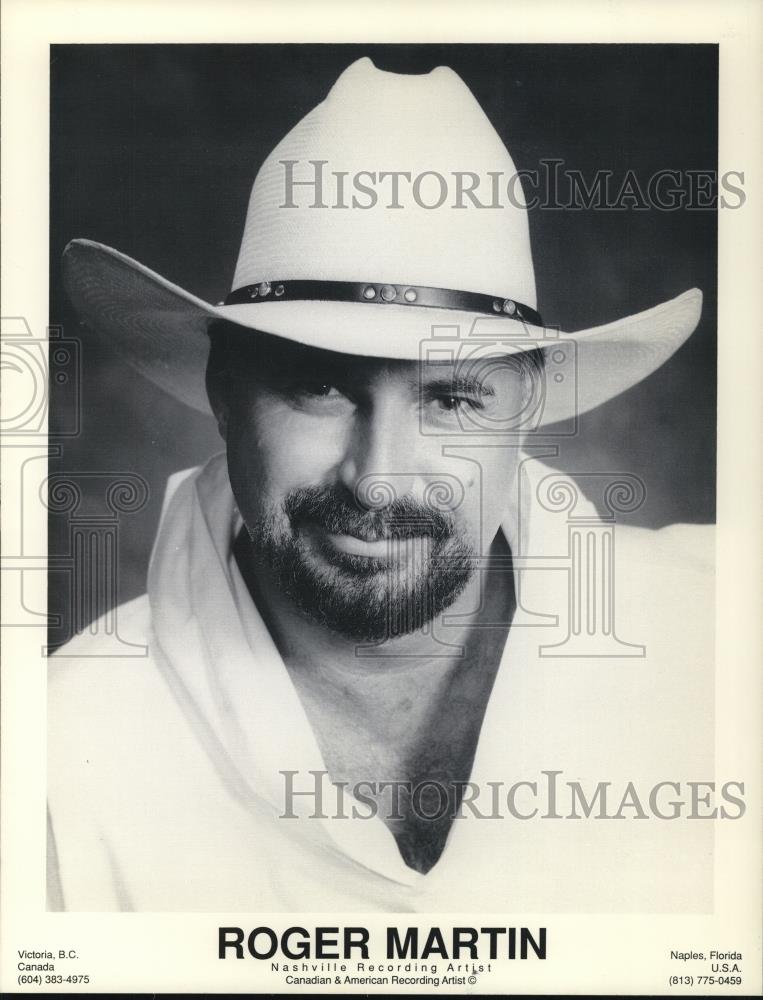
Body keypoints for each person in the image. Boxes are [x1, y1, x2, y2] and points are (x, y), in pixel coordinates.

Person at [48, 56, 714, 912]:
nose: (376, 479)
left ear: (526, 408)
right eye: (320, 386)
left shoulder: (718, 642)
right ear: (225, 393)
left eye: (452, 398)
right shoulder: (56, 754)